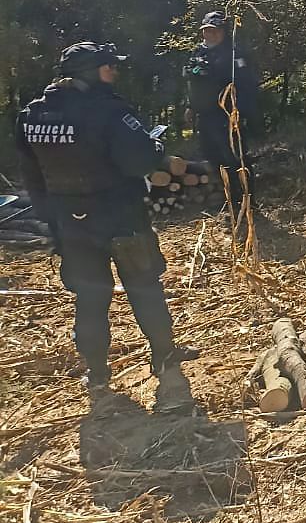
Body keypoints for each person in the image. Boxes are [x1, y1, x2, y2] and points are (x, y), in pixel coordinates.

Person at [14, 42, 197, 393]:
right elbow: (141, 161)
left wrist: (52, 219)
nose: (115, 72)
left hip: (70, 222)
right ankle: (163, 356)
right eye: (109, 66)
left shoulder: (33, 114)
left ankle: (96, 372)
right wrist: (156, 146)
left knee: (90, 296)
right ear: (91, 72)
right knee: (144, 287)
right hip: (120, 217)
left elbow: (32, 175)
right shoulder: (109, 112)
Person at [186, 10, 257, 202]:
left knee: (235, 157)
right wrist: (190, 106)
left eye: (215, 30)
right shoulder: (199, 52)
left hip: (226, 115)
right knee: (212, 156)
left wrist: (239, 113)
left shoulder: (234, 55)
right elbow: (193, 82)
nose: (210, 34)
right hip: (205, 115)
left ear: (223, 31)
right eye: (207, 30)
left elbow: (247, 85)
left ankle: (246, 200)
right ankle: (229, 198)